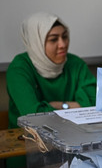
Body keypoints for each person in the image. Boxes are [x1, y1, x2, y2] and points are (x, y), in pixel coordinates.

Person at [6, 12, 96, 168]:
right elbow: (33, 115)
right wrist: (76, 106)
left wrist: (55, 105)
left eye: (65, 36)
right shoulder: (19, 68)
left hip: (72, 145)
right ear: (36, 42)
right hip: (28, 148)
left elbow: (95, 103)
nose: (62, 44)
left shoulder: (75, 64)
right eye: (53, 39)